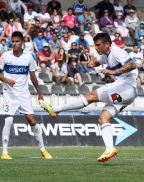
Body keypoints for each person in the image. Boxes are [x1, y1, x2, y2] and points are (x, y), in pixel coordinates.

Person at [40, 33, 138, 163]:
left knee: (90, 96)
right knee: (103, 119)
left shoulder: (117, 52)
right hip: (124, 95)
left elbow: (132, 65)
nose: (96, 48)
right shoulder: (106, 54)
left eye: (98, 45)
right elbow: (98, 61)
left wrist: (113, 72)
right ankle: (110, 149)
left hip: (125, 87)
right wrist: (92, 63)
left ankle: (56, 109)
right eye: (95, 45)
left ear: (107, 44)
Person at [0, 31, 52, 160]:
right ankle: (4, 152)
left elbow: (33, 78)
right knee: (9, 120)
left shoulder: (29, 57)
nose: (14, 44)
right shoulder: (5, 56)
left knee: (32, 121)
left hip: (24, 94)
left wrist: (39, 94)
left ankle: (43, 150)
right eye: (13, 41)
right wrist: (6, 79)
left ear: (22, 42)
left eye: (17, 41)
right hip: (9, 93)